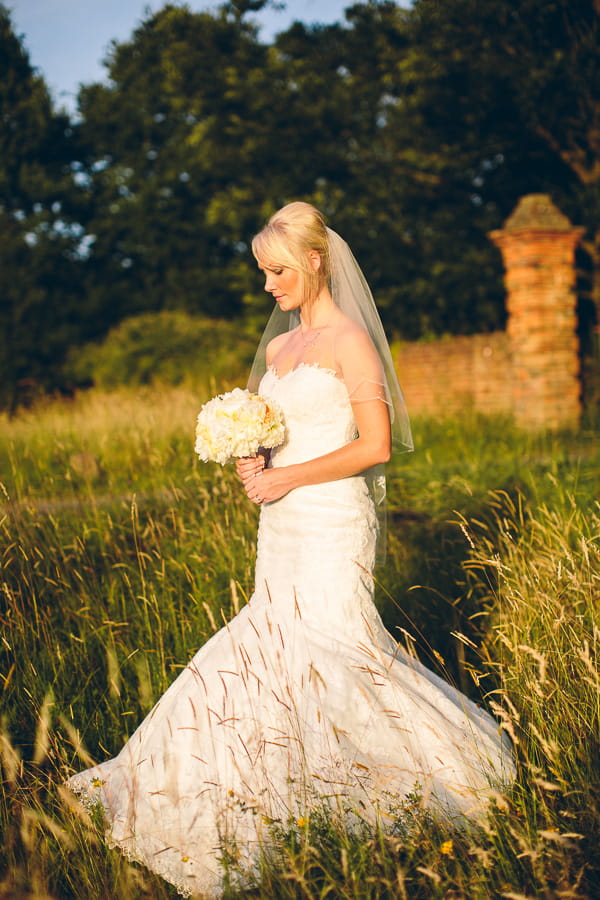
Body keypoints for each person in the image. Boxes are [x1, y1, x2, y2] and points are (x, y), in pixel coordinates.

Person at [67, 202, 514, 898]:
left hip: (334, 520)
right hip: (281, 525)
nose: (268, 285)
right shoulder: (279, 351)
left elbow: (375, 446)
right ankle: (240, 783)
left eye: (276, 271)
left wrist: (286, 476)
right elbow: (279, 436)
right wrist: (252, 459)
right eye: (263, 273)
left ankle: (396, 778)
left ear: (314, 261)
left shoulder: (351, 343)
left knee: (335, 646)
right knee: (267, 643)